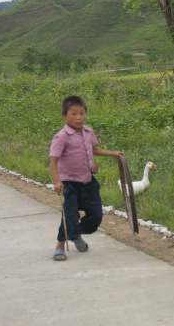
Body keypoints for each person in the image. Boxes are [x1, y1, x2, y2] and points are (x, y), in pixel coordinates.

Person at [50, 95, 123, 261]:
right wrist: (57, 181)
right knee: (70, 216)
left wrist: (113, 154)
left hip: (87, 180)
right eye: (74, 113)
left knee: (96, 216)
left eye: (82, 113)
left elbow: (95, 149)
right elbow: (53, 161)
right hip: (69, 183)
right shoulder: (61, 137)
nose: (79, 117)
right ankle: (60, 246)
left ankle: (75, 234)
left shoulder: (88, 131)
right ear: (64, 115)